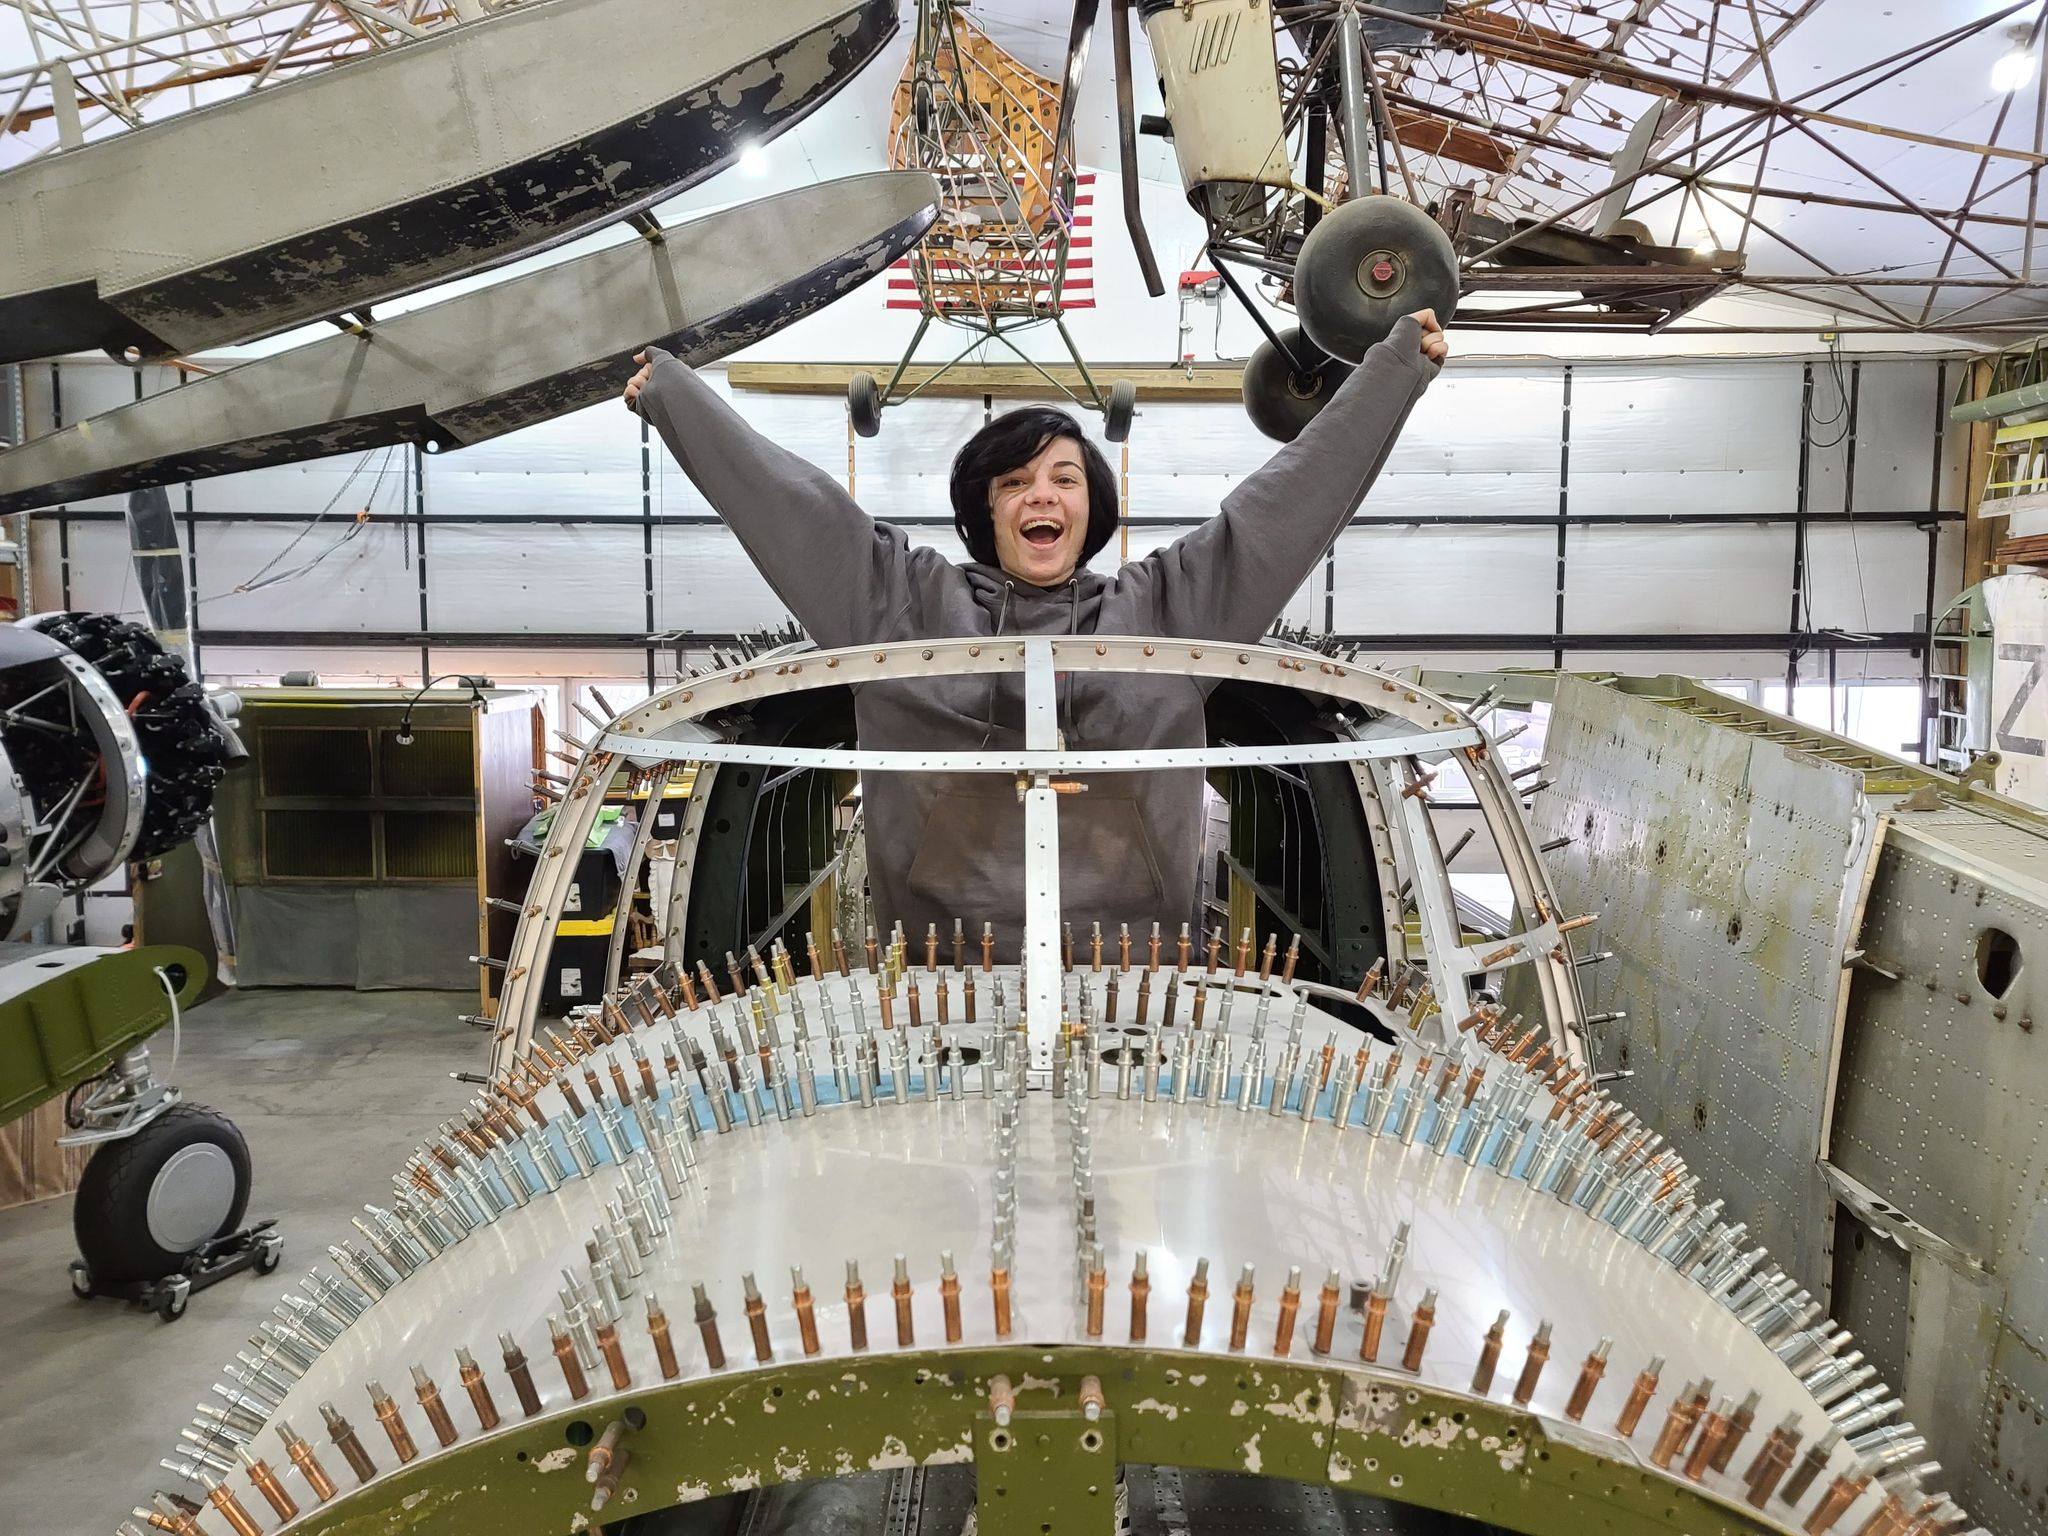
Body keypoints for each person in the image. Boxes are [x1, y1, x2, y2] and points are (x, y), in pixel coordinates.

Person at [624, 311, 1446, 949]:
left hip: (1140, 981)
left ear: (1092, 506)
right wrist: (674, 394)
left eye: (1064, 478)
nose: (1042, 495)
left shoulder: (1167, 613)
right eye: (1014, 483)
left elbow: (1280, 510)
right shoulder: (901, 608)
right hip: (939, 981)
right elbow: (795, 510)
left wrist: (1394, 370)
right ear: (986, 511)